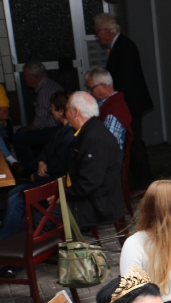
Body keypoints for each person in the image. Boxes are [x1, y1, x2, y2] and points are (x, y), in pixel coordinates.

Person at [0, 91, 73, 241]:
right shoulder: (59, 130)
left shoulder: (69, 135)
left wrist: (35, 176)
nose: (50, 111)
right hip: (48, 178)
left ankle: (4, 239)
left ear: (61, 111)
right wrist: (41, 161)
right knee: (13, 193)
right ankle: (6, 229)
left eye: (52, 108)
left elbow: (58, 166)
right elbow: (45, 150)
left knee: (15, 199)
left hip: (53, 183)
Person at [96, 13, 153, 189]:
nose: (97, 37)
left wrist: (115, 101)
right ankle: (139, 180)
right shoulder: (120, 45)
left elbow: (126, 82)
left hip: (130, 104)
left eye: (97, 32)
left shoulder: (124, 46)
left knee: (134, 143)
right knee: (133, 142)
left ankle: (142, 183)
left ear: (106, 31)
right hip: (130, 103)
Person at [63, 92, 125, 228]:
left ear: (76, 112)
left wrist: (62, 196)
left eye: (66, 109)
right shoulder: (89, 131)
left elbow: (89, 183)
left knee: (38, 216)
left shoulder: (95, 139)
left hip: (98, 205)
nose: (64, 114)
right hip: (92, 198)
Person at [12, 61, 64, 172]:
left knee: (19, 137)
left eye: (25, 76)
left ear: (33, 77)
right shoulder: (50, 84)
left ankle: (30, 171)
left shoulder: (45, 92)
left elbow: (38, 124)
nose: (23, 79)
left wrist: (23, 131)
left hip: (54, 130)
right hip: (56, 127)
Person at [85, 67, 133, 150]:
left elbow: (108, 146)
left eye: (91, 89)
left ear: (103, 86)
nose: (88, 92)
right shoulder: (108, 103)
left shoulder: (114, 110)